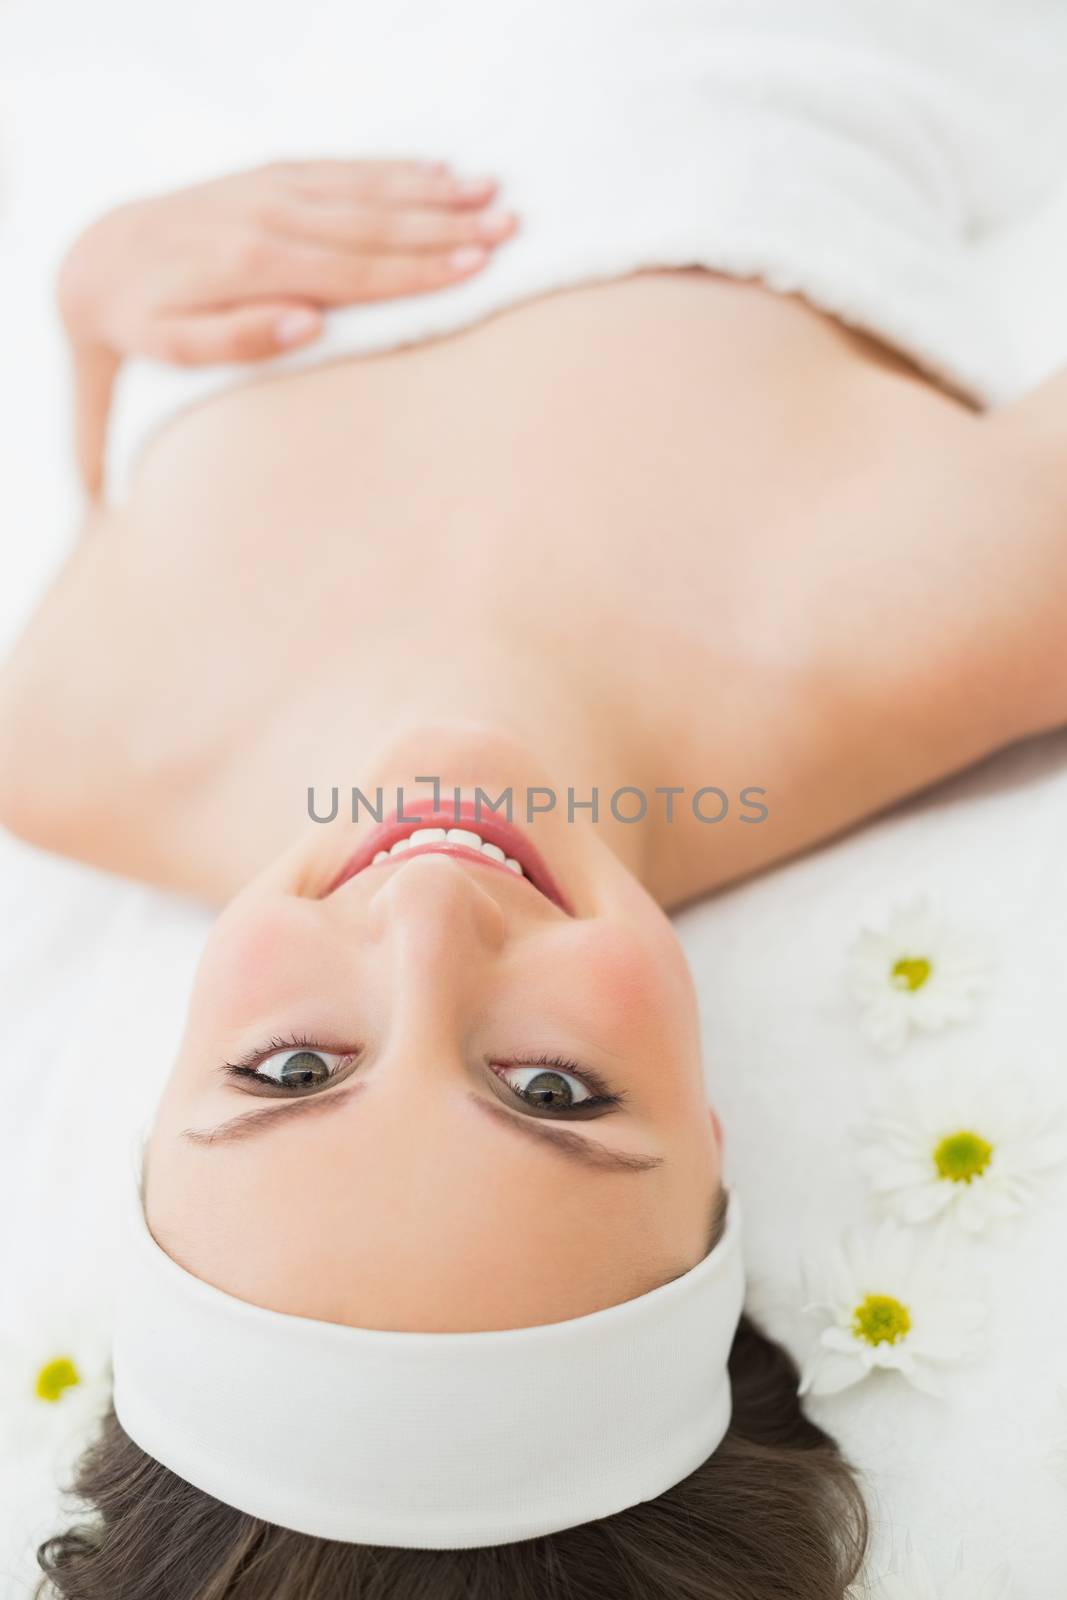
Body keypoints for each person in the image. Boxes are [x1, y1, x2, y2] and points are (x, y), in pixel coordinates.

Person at [3, 5, 1067, 1595]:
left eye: (294, 1064)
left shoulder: (65, 741)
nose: (429, 919)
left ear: (154, 1119)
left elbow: (116, 412)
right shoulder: (919, 615)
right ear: (716, 1145)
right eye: (556, 1090)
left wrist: (98, 290)